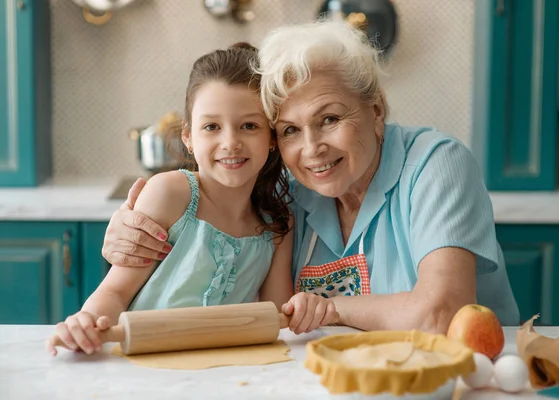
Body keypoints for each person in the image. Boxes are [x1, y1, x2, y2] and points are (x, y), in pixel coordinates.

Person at [100, 21, 520, 335]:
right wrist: (131, 229)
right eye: (289, 130)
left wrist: (333, 308)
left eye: (330, 119)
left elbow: (441, 314)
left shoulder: (437, 164)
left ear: (376, 111)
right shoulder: (293, 196)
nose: (312, 147)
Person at [46, 43, 337, 356]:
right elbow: (116, 291)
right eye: (212, 126)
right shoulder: (171, 194)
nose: (231, 143)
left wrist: (304, 307)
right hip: (141, 368)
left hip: (228, 374)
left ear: (271, 137)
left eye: (249, 126)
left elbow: (278, 314)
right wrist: (87, 322)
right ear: (188, 136)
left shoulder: (278, 222)